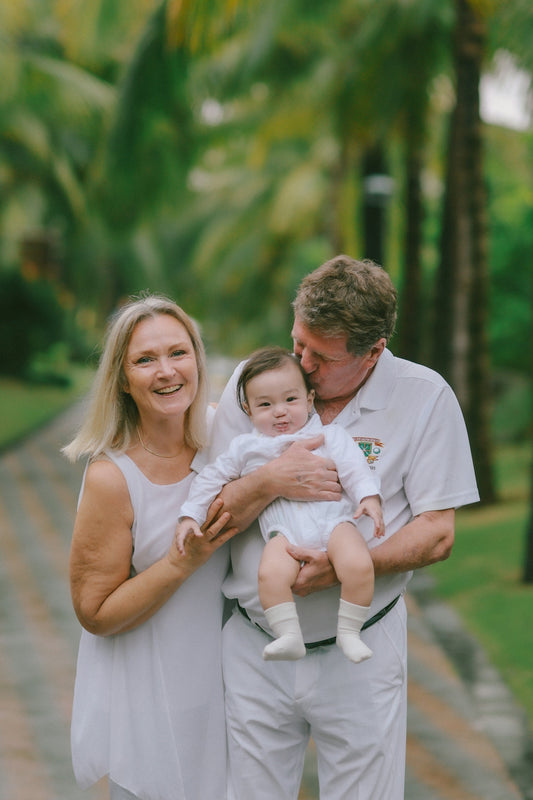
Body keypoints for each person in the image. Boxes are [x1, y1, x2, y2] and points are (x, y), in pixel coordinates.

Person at [210, 256, 480, 800]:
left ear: (373, 351)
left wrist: (345, 567)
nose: (301, 364)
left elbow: (438, 531)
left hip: (362, 651)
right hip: (255, 645)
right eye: (298, 342)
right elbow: (216, 508)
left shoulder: (425, 398)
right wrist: (272, 480)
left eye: (321, 356)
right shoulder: (256, 382)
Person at [63, 294, 237, 800]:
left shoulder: (229, 436)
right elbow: (94, 611)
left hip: (235, 692)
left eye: (178, 353)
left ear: (198, 360)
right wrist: (181, 563)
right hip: (153, 699)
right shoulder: (112, 476)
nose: (166, 371)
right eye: (145, 359)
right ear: (122, 378)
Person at [176, 346, 384, 664]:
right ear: (248, 410)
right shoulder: (246, 448)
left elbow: (355, 467)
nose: (280, 412)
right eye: (265, 404)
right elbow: (210, 477)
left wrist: (368, 497)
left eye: (290, 400)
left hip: (335, 522)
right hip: (283, 531)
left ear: (310, 399)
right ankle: (288, 635)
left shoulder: (330, 436)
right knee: (269, 574)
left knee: (357, 564)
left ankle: (350, 632)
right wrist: (190, 514)